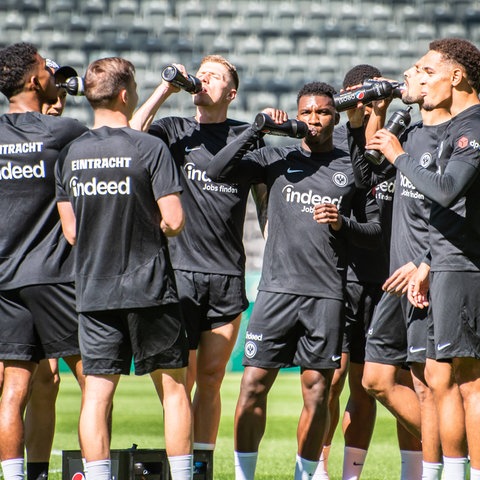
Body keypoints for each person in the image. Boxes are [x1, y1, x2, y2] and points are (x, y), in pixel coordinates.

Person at [205, 81, 381, 479]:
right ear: (297, 116)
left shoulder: (349, 166)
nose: (314, 120)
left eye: (322, 113)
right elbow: (217, 170)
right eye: (307, 112)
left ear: (334, 119)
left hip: (326, 297)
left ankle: (305, 475)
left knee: (318, 393)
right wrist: (257, 128)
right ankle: (243, 476)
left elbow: (374, 232)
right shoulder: (275, 157)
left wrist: (343, 223)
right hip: (275, 293)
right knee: (252, 386)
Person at [55, 56, 193, 480]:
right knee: (173, 392)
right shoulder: (148, 147)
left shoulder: (71, 153)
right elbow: (173, 221)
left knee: (96, 396)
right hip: (148, 286)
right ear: (124, 93)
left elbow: (72, 233)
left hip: (94, 290)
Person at [130, 55, 268, 458]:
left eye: (216, 76)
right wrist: (166, 87)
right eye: (202, 72)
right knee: (180, 380)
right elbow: (132, 133)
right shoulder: (174, 130)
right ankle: (181, 464)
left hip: (226, 276)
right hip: (178, 273)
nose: (204, 78)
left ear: (231, 92)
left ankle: (202, 463)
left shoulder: (248, 138)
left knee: (210, 378)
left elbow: (265, 208)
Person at [366, 37, 480, 479]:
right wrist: (429, 263)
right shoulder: (452, 126)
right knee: (439, 380)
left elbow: (448, 193)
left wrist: (397, 155)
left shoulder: (474, 126)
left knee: (468, 382)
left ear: (457, 77)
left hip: (466, 267)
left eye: (428, 72)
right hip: (444, 264)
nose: (421, 79)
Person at [316, 64, 422, 480]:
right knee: (333, 379)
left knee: (396, 384)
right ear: (345, 99)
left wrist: (379, 120)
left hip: (395, 278)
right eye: (355, 97)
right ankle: (320, 470)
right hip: (343, 278)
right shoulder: (333, 140)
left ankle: (414, 472)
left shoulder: (403, 137)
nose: (363, 103)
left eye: (371, 95)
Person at [0, 42, 88, 480]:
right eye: (44, 69)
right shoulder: (63, 132)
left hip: (5, 280)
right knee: (96, 382)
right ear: (36, 81)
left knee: (13, 391)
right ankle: (100, 471)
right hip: (55, 278)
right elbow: (115, 136)